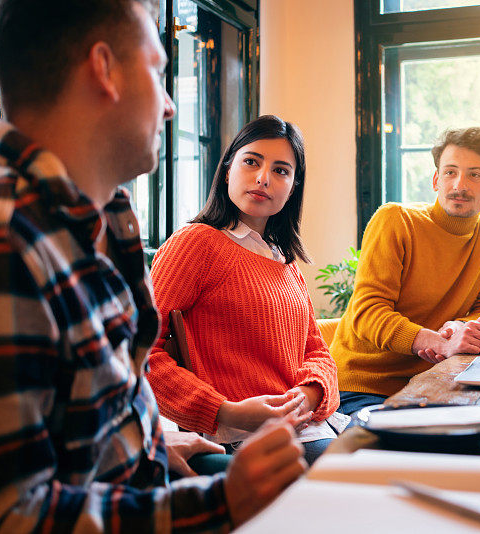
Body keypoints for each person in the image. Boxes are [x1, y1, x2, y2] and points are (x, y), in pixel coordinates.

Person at [0, 1, 306, 532]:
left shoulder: (97, 224)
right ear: (103, 69)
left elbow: (76, 425)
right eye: (157, 71)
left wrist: (148, 440)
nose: (171, 105)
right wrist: (222, 503)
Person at [147, 115, 347, 465]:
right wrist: (224, 411)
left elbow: (317, 352)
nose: (263, 178)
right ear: (228, 171)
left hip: (309, 428)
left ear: (293, 188)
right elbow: (142, 354)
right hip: (240, 438)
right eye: (251, 161)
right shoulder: (195, 244)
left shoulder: (285, 262)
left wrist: (311, 394)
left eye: (281, 171)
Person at [331, 126, 480, 414]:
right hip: (362, 386)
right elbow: (367, 313)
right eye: (450, 172)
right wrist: (437, 343)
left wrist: (460, 327)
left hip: (438, 380)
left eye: (475, 174)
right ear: (436, 180)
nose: (459, 185)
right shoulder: (395, 221)